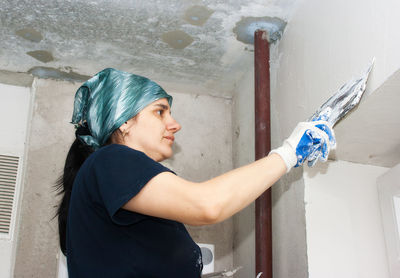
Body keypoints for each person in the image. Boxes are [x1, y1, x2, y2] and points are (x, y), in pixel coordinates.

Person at [56, 68, 335, 278]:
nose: (174, 124)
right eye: (160, 112)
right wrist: (288, 153)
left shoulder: (112, 178)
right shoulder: (111, 160)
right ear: (125, 122)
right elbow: (208, 205)